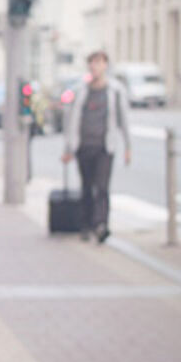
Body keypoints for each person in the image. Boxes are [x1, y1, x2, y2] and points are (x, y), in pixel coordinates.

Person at [61, 50, 132, 244]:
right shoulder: (80, 90)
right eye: (92, 63)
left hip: (105, 146)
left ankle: (101, 225)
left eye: (99, 62)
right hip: (83, 145)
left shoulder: (115, 91)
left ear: (106, 65)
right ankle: (86, 225)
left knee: (102, 187)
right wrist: (68, 149)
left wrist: (128, 146)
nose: (95, 66)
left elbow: (123, 120)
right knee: (86, 187)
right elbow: (71, 121)